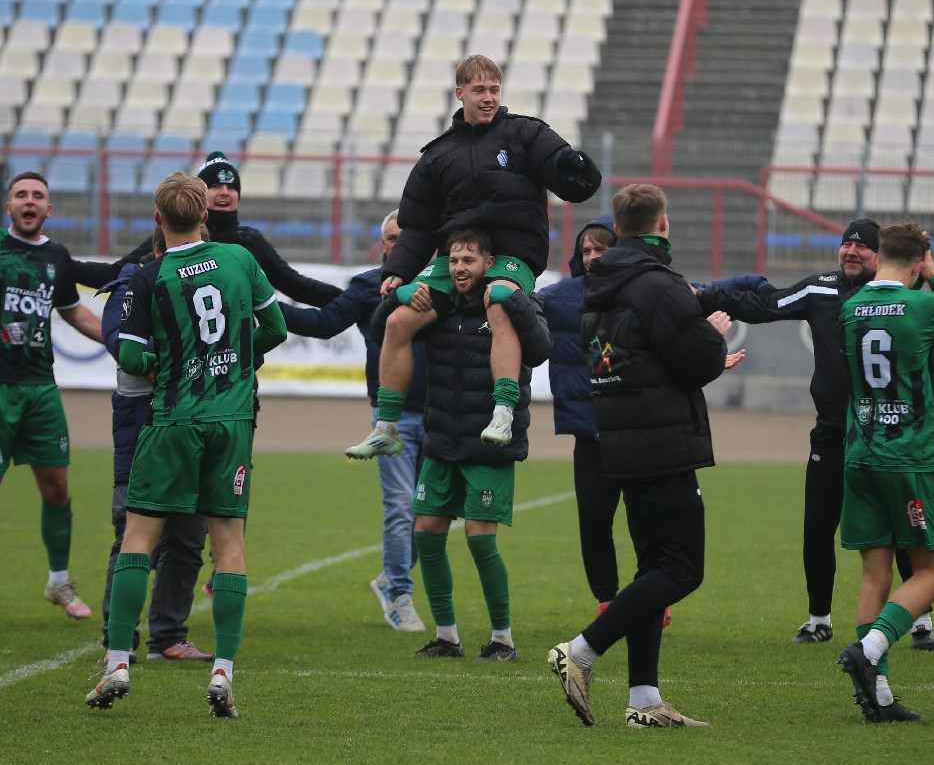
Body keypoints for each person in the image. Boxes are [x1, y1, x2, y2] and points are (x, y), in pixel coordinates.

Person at [697, 219, 934, 647]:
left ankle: (919, 620)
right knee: (821, 526)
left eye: (862, 247)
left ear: (882, 256)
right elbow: (765, 303)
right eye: (846, 245)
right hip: (835, 433)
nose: (851, 252)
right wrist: (702, 296)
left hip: (888, 435)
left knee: (899, 531)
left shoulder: (900, 299)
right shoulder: (825, 290)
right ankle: (820, 619)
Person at [90, 173, 287, 717]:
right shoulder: (240, 260)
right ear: (206, 215)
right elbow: (275, 328)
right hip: (232, 421)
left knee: (138, 538)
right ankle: (223, 670)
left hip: (173, 419)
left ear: (157, 220)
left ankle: (118, 661)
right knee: (228, 544)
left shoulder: (148, 278)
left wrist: (168, 364)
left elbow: (130, 357)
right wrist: (239, 358)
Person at [348, 53, 601, 458]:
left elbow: (568, 179)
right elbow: (418, 228)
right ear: (460, 92)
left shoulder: (526, 135)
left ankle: (501, 414)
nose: (488, 98)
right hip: (458, 256)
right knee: (398, 320)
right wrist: (397, 272)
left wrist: (578, 168)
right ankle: (387, 426)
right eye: (480, 90)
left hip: (512, 256)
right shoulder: (437, 155)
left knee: (499, 301)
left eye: (494, 90)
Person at [548, 185, 725, 729]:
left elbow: (628, 359)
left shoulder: (596, 286)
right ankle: (580, 650)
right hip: (663, 442)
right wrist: (714, 335)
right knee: (682, 569)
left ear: (618, 228)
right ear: (662, 224)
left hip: (620, 442)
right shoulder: (659, 283)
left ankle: (645, 701)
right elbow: (696, 360)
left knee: (653, 567)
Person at [542, 214, 753, 617]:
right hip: (591, 433)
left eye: (600, 249)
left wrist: (705, 351)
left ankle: (649, 594)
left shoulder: (650, 293)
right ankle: (607, 600)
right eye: (584, 250)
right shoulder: (560, 298)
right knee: (595, 522)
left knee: (644, 519)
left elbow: (664, 356)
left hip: (637, 433)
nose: (591, 257)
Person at [830, 223, 934, 723]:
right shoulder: (924, 304)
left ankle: (881, 696)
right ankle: (869, 650)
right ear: (919, 263)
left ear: (877, 259)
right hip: (908, 459)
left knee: (876, 574)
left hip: (860, 453)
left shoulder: (851, 306)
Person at [377, 230, 549, 660]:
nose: (459, 268)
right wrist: (402, 295)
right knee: (428, 535)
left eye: (469, 260)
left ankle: (502, 639)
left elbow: (543, 347)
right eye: (453, 260)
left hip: (489, 445)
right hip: (441, 440)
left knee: (480, 540)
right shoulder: (441, 306)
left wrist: (516, 301)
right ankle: (447, 636)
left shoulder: (513, 300)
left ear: (489, 262)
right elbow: (381, 326)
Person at [0, 171, 105, 628]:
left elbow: (72, 310)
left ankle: (58, 580)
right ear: (9, 206)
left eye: (38, 195)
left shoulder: (57, 256)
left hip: (41, 386)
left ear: (49, 208)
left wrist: (118, 338)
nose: (30, 201)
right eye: (21, 194)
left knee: (57, 488)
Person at [278, 209, 429, 632]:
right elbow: (323, 323)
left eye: (407, 237)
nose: (398, 245)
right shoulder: (369, 286)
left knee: (430, 512)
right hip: (392, 415)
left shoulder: (443, 283)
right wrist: (263, 306)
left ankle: (389, 581)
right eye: (391, 238)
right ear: (382, 245)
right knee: (400, 506)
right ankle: (399, 592)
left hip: (441, 414)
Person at [95, 227, 212, 661]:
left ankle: (168, 636)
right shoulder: (130, 287)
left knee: (187, 536)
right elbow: (118, 342)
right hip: (143, 428)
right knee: (132, 534)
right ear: (156, 252)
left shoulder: (204, 283)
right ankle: (118, 635)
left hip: (193, 426)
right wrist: (170, 362)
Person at [194, 151, 342, 308]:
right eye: (215, 186)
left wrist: (348, 299)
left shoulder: (250, 240)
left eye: (231, 187)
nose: (225, 192)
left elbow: (295, 284)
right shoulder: (187, 237)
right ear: (200, 195)